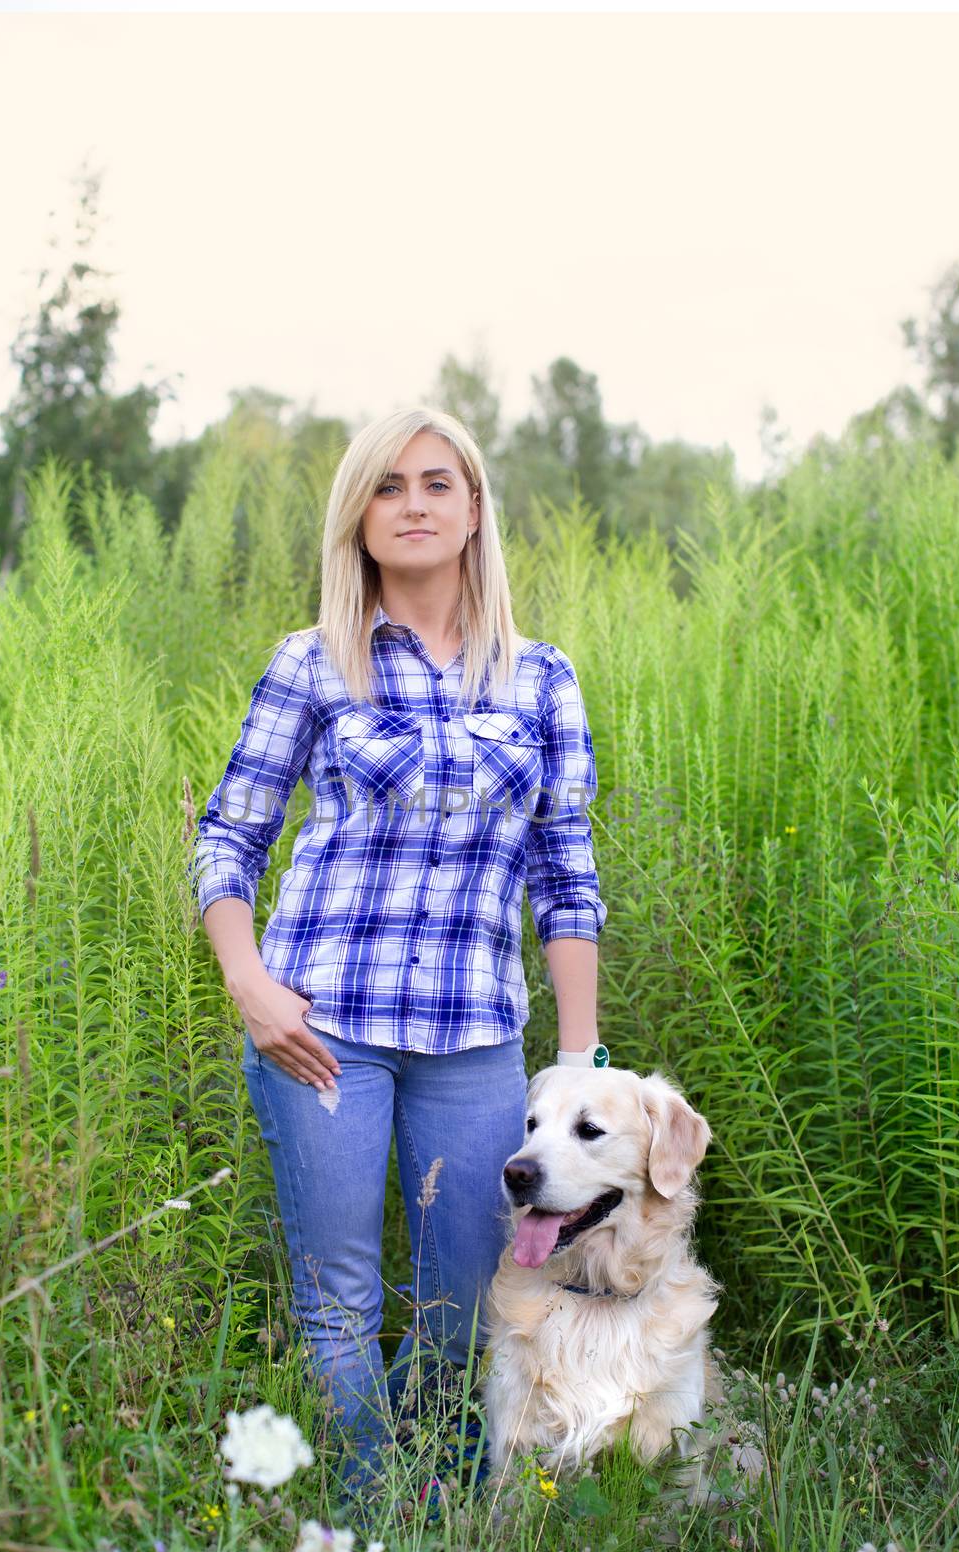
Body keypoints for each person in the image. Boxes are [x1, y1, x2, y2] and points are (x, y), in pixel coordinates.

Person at [190, 406, 607, 1496]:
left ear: (473, 511)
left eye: (435, 483)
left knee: (473, 1298)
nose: (411, 504)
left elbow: (565, 874)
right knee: (336, 1298)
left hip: (475, 1039)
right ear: (357, 516)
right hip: (318, 1031)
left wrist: (576, 1060)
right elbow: (230, 833)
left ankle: (449, 1501)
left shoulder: (540, 678)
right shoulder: (312, 663)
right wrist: (250, 984)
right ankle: (381, 1523)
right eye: (386, 487)